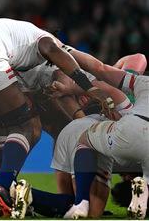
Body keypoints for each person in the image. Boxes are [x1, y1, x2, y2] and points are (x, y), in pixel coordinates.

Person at [0, 18, 114, 218]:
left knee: (0, 124)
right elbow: (50, 48)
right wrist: (90, 88)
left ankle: (7, 197)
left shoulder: (22, 47)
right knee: (29, 126)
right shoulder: (46, 40)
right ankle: (3, 187)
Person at [57, 48, 149, 219]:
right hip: (121, 114)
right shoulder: (126, 99)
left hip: (127, 123)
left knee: (82, 140)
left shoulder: (136, 88)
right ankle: (80, 201)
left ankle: (80, 201)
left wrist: (72, 88)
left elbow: (107, 76)